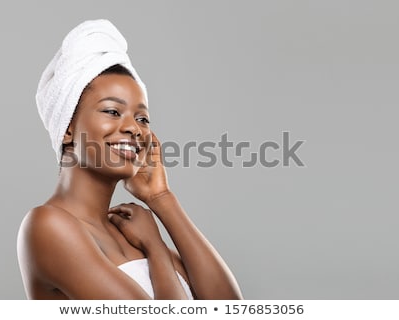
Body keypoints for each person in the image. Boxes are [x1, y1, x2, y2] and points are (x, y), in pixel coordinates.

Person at [17, 19, 243, 300]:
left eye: (142, 118)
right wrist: (156, 249)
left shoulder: (129, 228)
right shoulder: (48, 226)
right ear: (67, 129)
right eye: (112, 111)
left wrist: (162, 198)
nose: (134, 128)